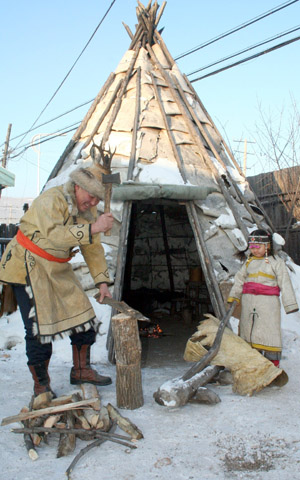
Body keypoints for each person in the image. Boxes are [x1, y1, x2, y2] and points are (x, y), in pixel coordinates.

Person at [0, 164, 114, 396]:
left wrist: (102, 282)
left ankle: (81, 370)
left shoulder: (87, 213)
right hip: (27, 265)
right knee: (38, 329)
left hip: (57, 267)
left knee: (85, 316)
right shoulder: (50, 200)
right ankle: (41, 386)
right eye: (92, 196)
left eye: (97, 200)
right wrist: (93, 227)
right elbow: (54, 236)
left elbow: (92, 248)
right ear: (78, 186)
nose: (93, 203)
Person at [227, 229, 298, 367]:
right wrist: (234, 296)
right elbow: (239, 280)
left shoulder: (277, 263)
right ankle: (253, 363)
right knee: (249, 331)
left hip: (268, 305)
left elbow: (285, 283)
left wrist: (290, 304)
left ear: (267, 246)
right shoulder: (248, 262)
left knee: (269, 332)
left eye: (257, 247)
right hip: (248, 302)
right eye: (252, 247)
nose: (254, 250)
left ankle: (272, 365)